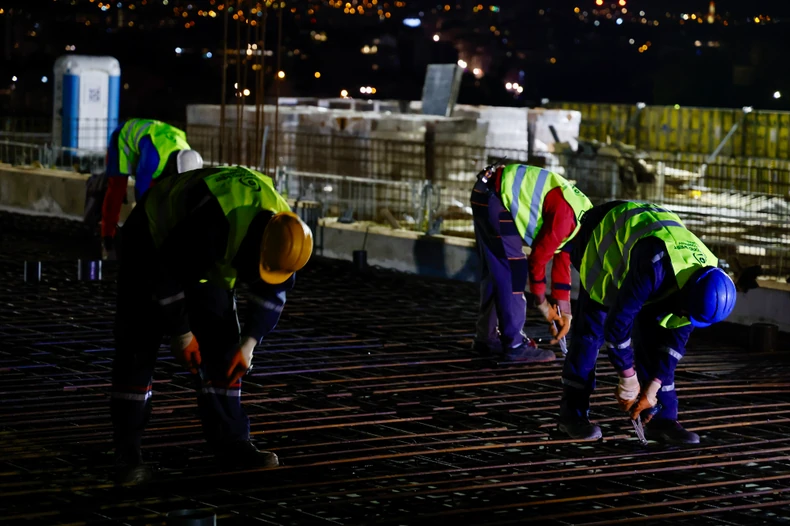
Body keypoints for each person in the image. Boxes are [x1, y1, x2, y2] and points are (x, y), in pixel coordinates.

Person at [110, 166, 313, 484]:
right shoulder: (212, 223)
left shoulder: (287, 236)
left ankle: (232, 443)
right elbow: (166, 275)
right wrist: (182, 333)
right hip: (150, 238)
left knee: (224, 348)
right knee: (139, 343)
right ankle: (127, 452)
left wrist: (249, 344)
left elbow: (273, 294)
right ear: (257, 246)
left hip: (205, 252)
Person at [557, 201, 736, 443]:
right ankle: (572, 416)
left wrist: (653, 387)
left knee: (655, 335)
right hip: (601, 237)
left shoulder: (705, 281)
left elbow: (674, 343)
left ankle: (661, 419)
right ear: (686, 294)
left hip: (647, 256)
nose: (686, 318)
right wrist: (628, 379)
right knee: (591, 331)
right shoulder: (656, 266)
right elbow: (617, 326)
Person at [470, 163, 593, 362]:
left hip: (487, 191)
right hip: (497, 197)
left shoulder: (582, 217)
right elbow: (537, 260)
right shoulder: (566, 219)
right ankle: (515, 345)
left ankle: (487, 337)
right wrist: (542, 304)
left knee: (497, 271)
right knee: (513, 271)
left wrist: (564, 311)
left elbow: (562, 258)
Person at [101, 118, 203, 259]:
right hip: (123, 138)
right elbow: (140, 192)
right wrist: (145, 222)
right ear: (174, 167)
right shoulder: (153, 158)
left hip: (152, 141)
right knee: (117, 190)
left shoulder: (187, 157)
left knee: (158, 197)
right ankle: (107, 238)